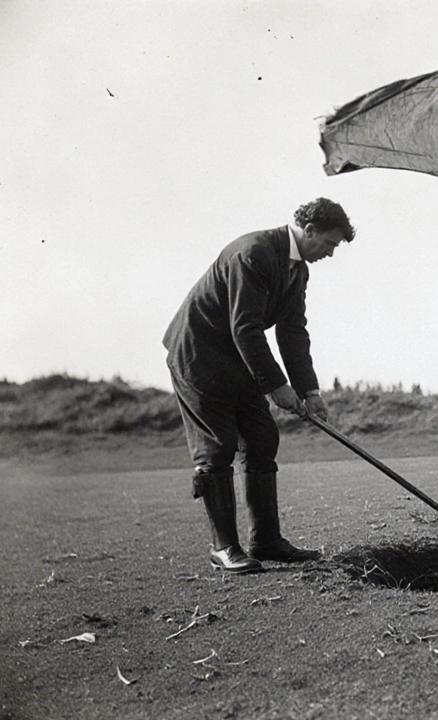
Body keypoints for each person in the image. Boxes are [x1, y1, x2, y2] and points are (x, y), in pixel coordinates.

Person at [163, 198, 353, 574]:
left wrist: (309, 392)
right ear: (309, 231)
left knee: (262, 438)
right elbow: (245, 327)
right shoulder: (254, 253)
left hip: (237, 357)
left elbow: (293, 332)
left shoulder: (298, 270)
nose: (330, 254)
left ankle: (265, 541)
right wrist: (276, 385)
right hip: (199, 355)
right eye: (329, 244)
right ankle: (224, 548)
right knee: (217, 445)